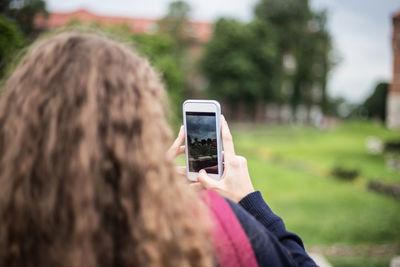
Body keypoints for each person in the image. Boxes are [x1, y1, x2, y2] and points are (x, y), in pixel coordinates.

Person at [0, 32, 317, 267]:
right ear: (142, 129)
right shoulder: (213, 228)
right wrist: (249, 202)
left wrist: (142, 184)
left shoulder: (15, 234)